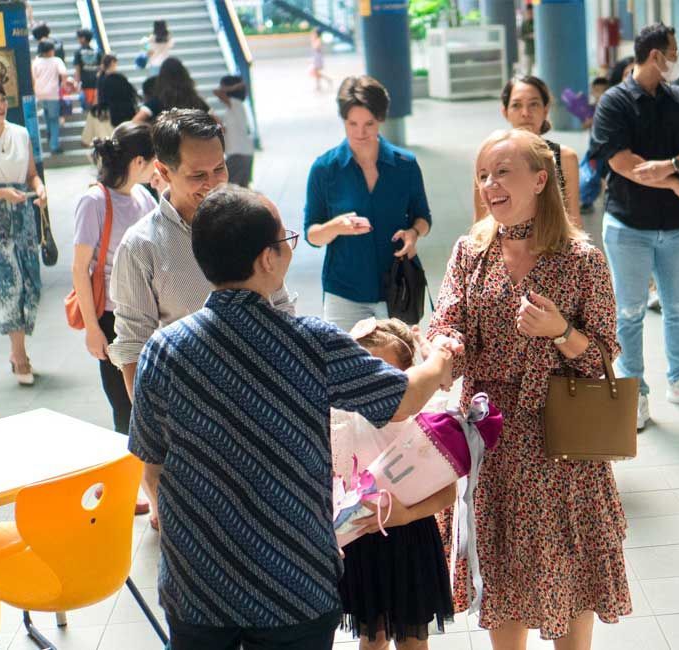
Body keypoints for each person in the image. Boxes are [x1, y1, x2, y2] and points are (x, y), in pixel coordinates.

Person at [129, 183, 455, 650]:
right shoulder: (311, 342)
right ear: (267, 259)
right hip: (294, 586)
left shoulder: (163, 350)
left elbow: (151, 463)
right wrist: (439, 361)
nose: (288, 249)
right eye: (285, 241)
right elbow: (402, 399)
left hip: (198, 587)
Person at [428, 128, 630, 648]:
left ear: (540, 180)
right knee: (500, 575)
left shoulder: (582, 258)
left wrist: (561, 333)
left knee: (573, 570)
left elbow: (606, 356)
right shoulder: (469, 252)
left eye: (503, 172)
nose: (490, 184)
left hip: (563, 441)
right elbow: (445, 321)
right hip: (491, 437)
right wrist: (445, 344)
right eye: (483, 175)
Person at [108, 109, 296, 528]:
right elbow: (133, 351)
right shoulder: (141, 248)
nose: (212, 183)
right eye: (197, 175)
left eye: (220, 168)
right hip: (188, 435)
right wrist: (154, 459)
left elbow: (281, 307)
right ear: (162, 171)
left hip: (260, 418)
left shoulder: (251, 221)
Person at [589, 22, 679, 422]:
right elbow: (621, 163)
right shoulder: (615, 103)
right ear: (655, 56)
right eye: (673, 53)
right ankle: (634, 391)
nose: (677, 60)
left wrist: (672, 165)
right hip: (629, 228)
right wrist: (677, 184)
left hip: (677, 228)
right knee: (630, 312)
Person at [332, 318, 456, 649]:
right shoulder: (346, 418)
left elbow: (448, 492)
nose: (374, 387)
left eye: (385, 375)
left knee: (413, 641)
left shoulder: (424, 423)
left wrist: (406, 515)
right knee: (373, 639)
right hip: (362, 538)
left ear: (408, 377)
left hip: (411, 538)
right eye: (365, 372)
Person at [304, 76, 431, 331]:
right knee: (345, 367)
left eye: (369, 123)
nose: (360, 132)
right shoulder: (324, 169)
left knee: (396, 369)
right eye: (352, 123)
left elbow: (423, 217)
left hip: (397, 288)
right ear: (343, 120)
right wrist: (336, 226)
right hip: (344, 292)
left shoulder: (405, 165)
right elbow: (312, 235)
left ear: (381, 119)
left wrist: (413, 233)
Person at [71, 122, 157, 434]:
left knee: (151, 401)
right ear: (138, 163)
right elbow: (80, 269)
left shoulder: (144, 197)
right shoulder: (94, 201)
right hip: (112, 317)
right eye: (153, 160)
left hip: (148, 313)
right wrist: (93, 330)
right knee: (124, 406)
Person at [0, 79, 48, 386]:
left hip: (23, 214)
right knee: (12, 283)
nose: (0, 105)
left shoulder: (21, 134)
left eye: (1, 98)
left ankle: (18, 350)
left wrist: (41, 189)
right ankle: (19, 355)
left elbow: (32, 175)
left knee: (32, 282)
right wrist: (2, 194)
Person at [473, 76, 580, 226]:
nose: (525, 113)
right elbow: (481, 222)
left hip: (554, 245)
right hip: (505, 247)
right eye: (516, 105)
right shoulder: (488, 160)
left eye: (534, 104)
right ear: (505, 111)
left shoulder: (565, 158)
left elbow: (573, 221)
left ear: (546, 109)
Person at [133, 58, 209, 123]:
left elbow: (133, 124)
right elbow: (217, 124)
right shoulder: (196, 101)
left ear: (161, 79)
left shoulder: (156, 102)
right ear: (185, 77)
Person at [213, 75, 253, 187]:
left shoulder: (234, 103)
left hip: (238, 154)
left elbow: (217, 92)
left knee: (232, 191)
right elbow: (228, 130)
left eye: (222, 86)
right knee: (241, 190)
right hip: (242, 153)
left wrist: (229, 88)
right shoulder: (235, 107)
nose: (220, 88)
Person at [31, 40, 68, 154]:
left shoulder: (36, 62)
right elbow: (64, 73)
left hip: (39, 93)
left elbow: (33, 77)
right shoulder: (56, 60)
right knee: (54, 120)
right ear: (49, 51)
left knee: (46, 116)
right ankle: (54, 146)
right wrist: (63, 84)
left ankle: (49, 134)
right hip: (52, 93)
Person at [74, 28, 101, 109]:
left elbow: (77, 68)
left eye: (79, 37)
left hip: (85, 82)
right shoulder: (97, 51)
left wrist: (77, 82)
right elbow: (100, 68)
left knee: (87, 106)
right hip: (96, 82)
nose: (78, 39)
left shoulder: (78, 52)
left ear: (83, 38)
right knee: (95, 104)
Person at [518, 3, 534, 75]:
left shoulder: (538, 22)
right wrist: (529, 36)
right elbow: (521, 36)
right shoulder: (524, 23)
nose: (530, 14)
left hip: (537, 51)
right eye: (528, 12)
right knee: (528, 71)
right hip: (529, 50)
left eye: (531, 12)